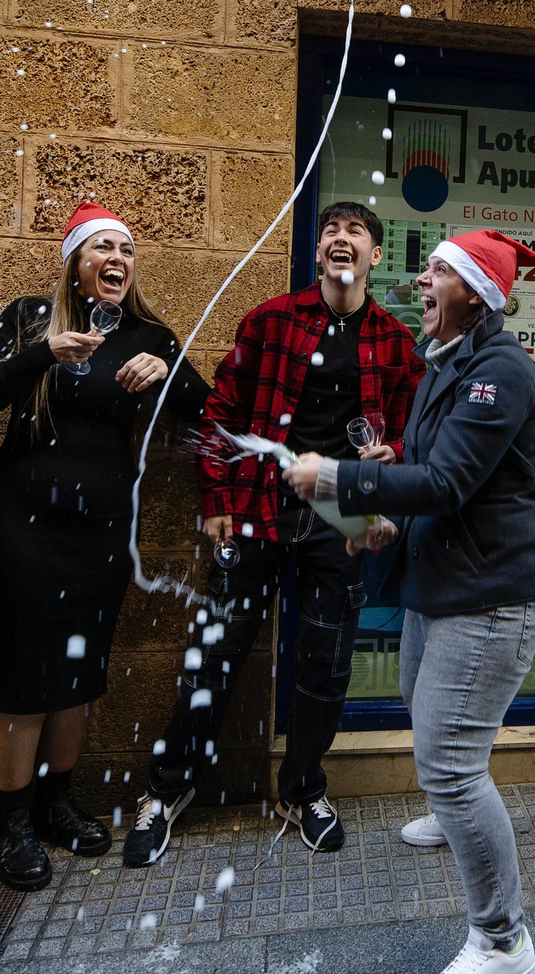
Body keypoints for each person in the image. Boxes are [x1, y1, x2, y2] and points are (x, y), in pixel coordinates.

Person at [286, 229, 535, 974]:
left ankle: (503, 940)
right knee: (421, 706)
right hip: (444, 579)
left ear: (473, 290)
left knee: (451, 761)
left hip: (493, 593)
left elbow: (448, 484)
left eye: (437, 270)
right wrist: (383, 524)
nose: (421, 280)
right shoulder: (447, 359)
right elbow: (426, 472)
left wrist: (340, 478)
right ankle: (454, 811)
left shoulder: (499, 371)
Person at [124, 201, 421, 867]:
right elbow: (223, 413)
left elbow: (413, 431)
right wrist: (215, 497)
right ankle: (166, 791)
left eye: (356, 234)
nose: (340, 240)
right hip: (257, 511)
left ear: (375, 256)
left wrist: (392, 454)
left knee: (324, 665)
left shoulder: (395, 343)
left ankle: (304, 789)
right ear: (320, 254)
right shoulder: (271, 321)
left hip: (339, 524)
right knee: (216, 653)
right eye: (331, 233)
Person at [0, 202, 212, 890]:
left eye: (127, 249)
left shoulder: (150, 335)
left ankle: (57, 803)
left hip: (101, 527)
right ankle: (11, 820)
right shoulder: (28, 319)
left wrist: (167, 373)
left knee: (81, 669)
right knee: (23, 671)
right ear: (76, 266)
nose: (117, 258)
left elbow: (211, 414)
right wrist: (43, 353)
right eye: (101, 247)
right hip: (19, 523)